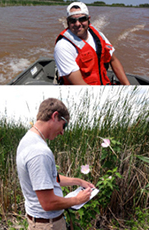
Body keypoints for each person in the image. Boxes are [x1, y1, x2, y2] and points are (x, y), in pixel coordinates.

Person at [16, 98, 95, 230]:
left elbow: (51, 178)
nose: (63, 132)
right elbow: (48, 203)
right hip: (48, 224)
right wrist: (77, 200)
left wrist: (78, 181)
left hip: (41, 221)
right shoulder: (39, 152)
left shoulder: (28, 140)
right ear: (55, 116)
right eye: (64, 125)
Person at [54, 2, 130, 85]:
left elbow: (113, 60)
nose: (77, 24)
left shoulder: (98, 36)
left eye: (82, 19)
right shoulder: (63, 46)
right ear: (67, 22)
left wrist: (127, 86)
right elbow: (79, 84)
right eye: (73, 20)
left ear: (88, 19)